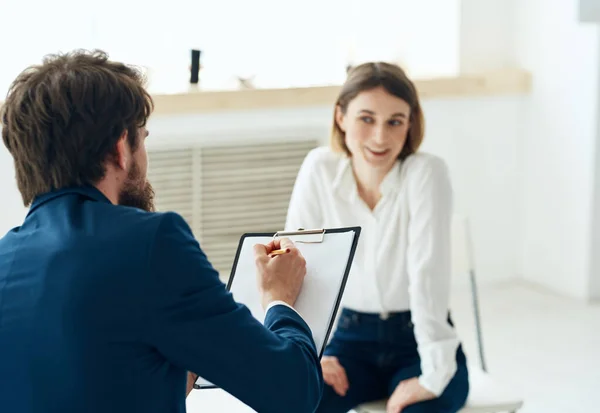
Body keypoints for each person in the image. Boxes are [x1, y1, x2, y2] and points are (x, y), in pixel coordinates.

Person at [0, 50, 323, 413]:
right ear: (121, 149)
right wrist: (278, 299)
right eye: (144, 137)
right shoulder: (150, 243)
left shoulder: (5, 260)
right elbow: (294, 392)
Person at [285, 62, 469, 413]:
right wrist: (311, 351)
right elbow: (298, 268)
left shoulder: (427, 173)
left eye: (394, 121)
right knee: (298, 402)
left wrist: (432, 376)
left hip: (420, 338)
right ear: (341, 117)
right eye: (366, 119)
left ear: (411, 123)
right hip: (349, 336)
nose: (380, 137)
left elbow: (427, 277)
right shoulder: (319, 167)